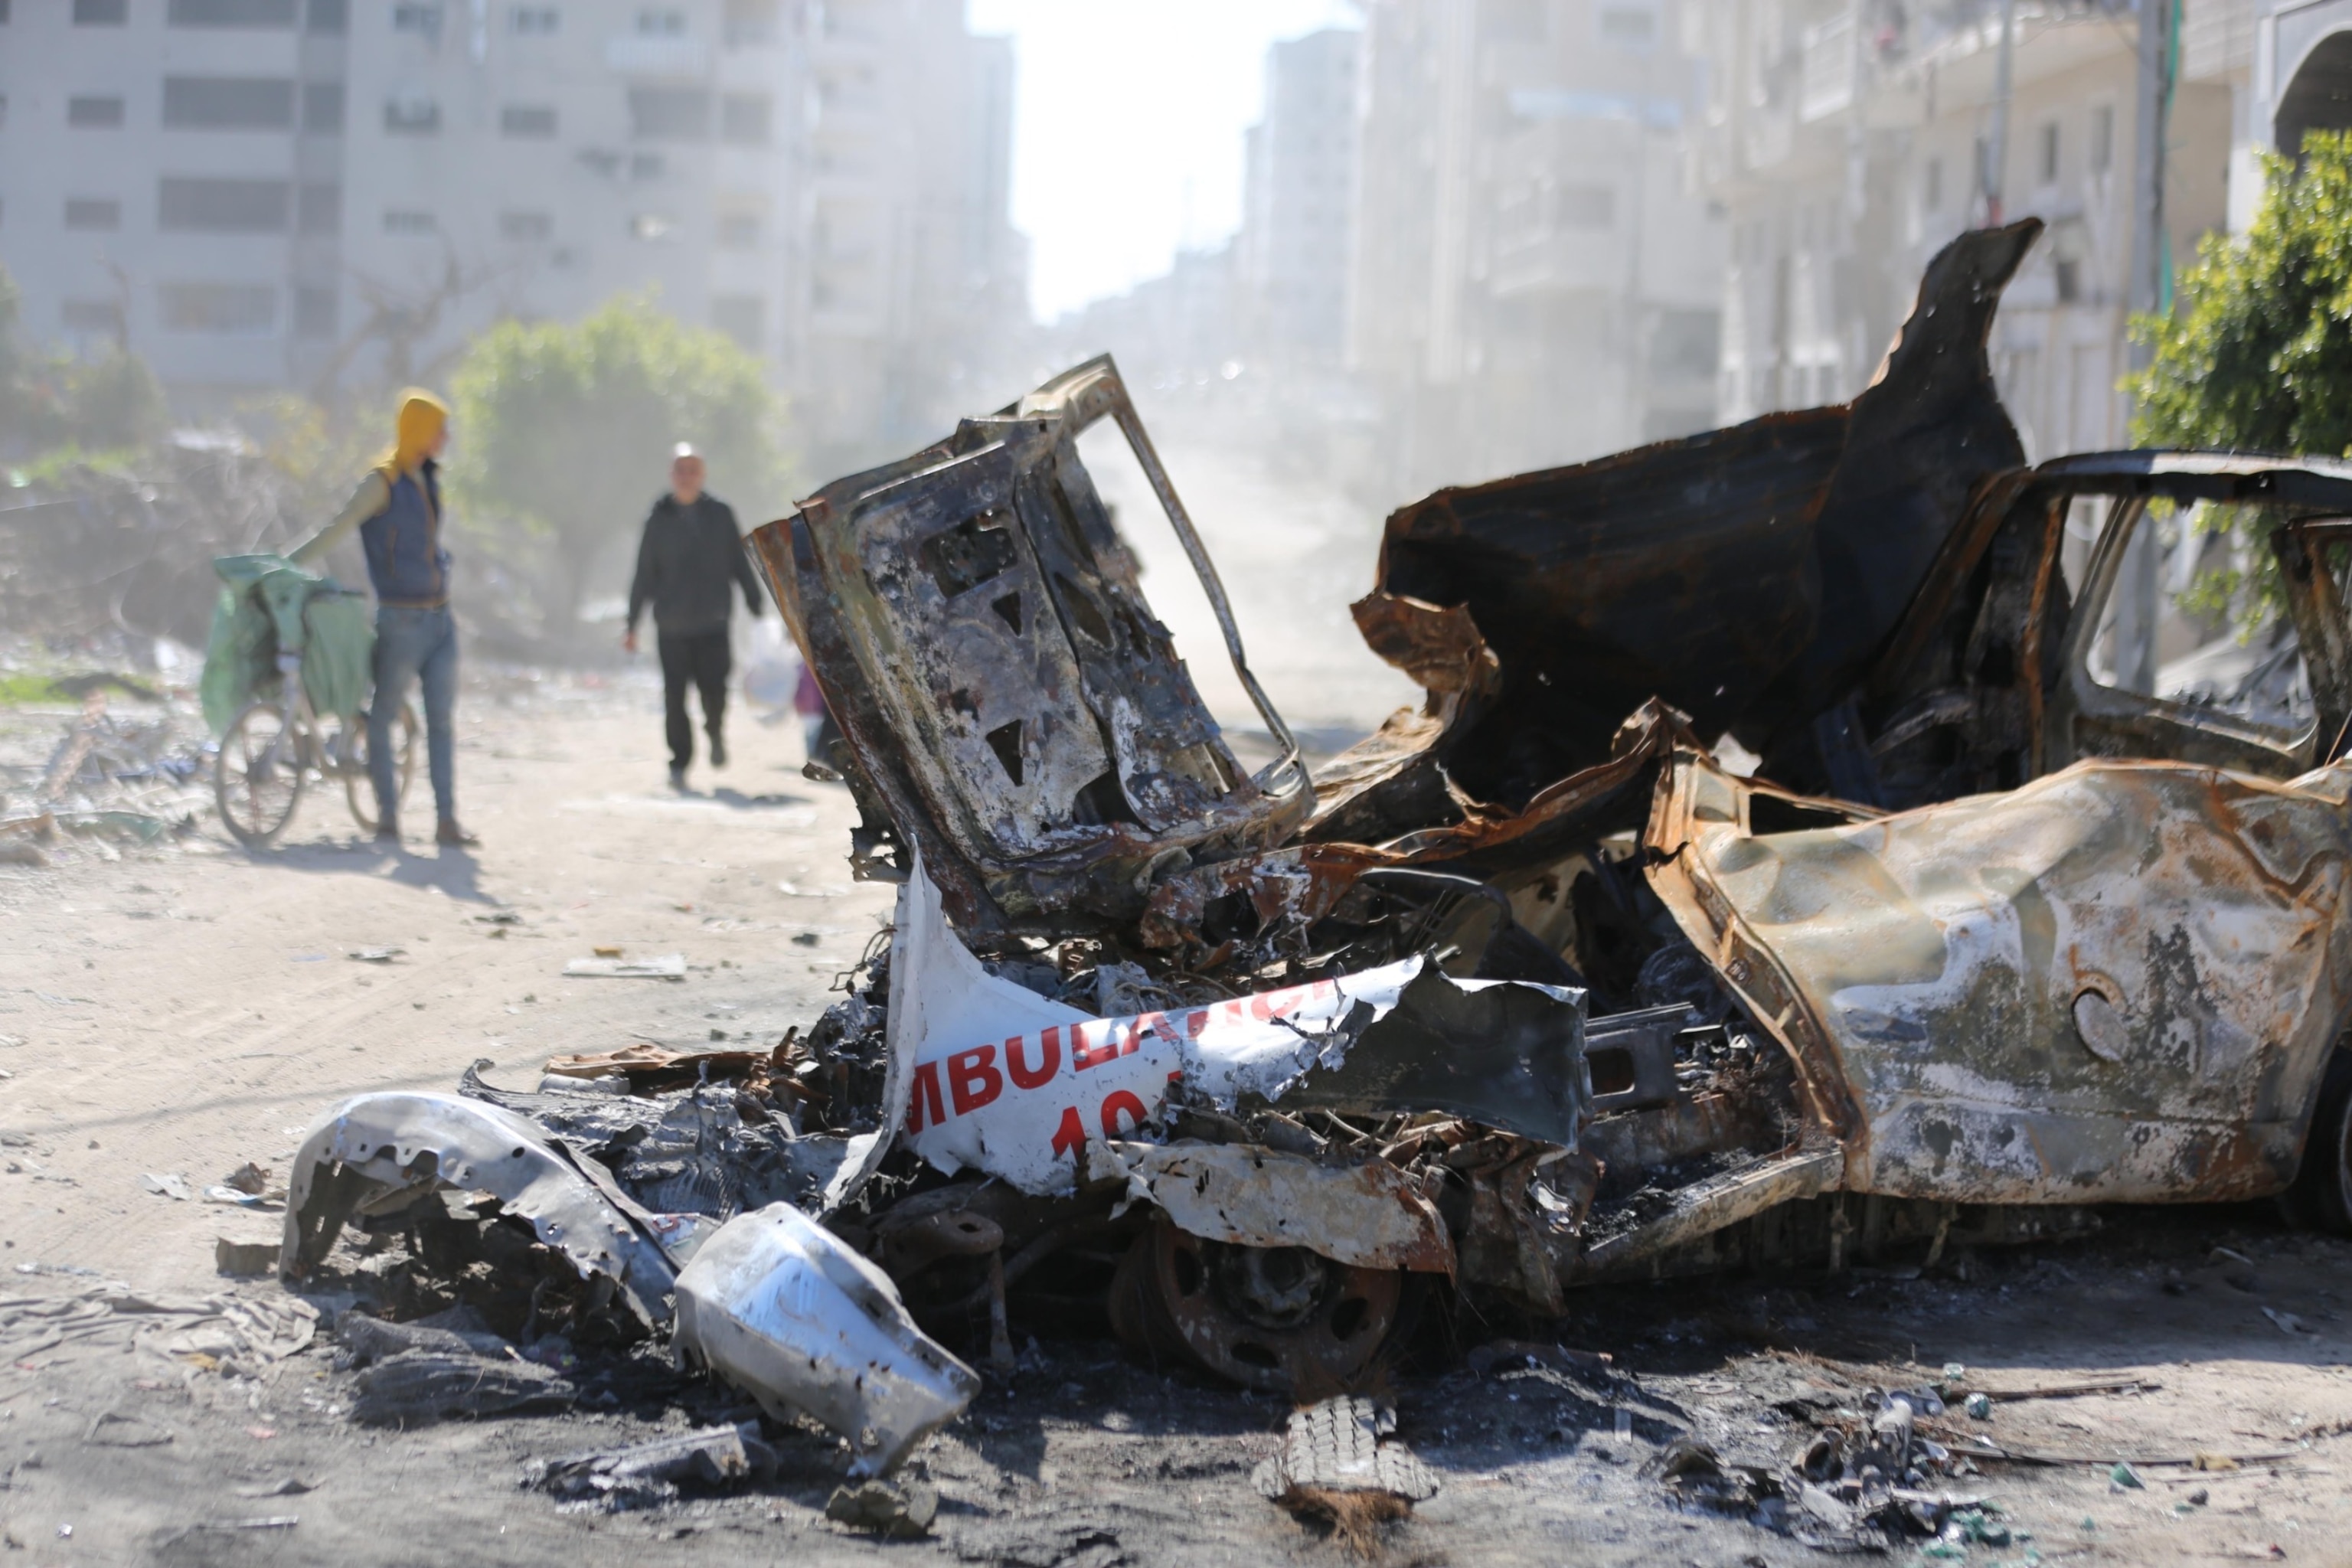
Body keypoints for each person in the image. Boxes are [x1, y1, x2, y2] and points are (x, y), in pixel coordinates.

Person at [290, 387, 475, 847]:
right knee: (383, 717)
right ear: (420, 430)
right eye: (439, 429)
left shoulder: (427, 479)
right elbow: (339, 526)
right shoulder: (383, 483)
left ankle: (447, 822)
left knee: (442, 722)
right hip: (401, 621)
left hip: (439, 620)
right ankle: (389, 820)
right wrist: (288, 563)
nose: (446, 438)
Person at [623, 445, 766, 789]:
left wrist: (755, 602)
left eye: (693, 470)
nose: (686, 477)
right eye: (680, 470)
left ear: (702, 475)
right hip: (671, 626)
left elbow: (738, 561)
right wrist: (632, 624)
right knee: (674, 697)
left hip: (713, 623)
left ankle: (714, 731)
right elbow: (644, 572)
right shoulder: (657, 518)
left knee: (714, 691)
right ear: (672, 476)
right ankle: (679, 762)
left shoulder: (720, 514)